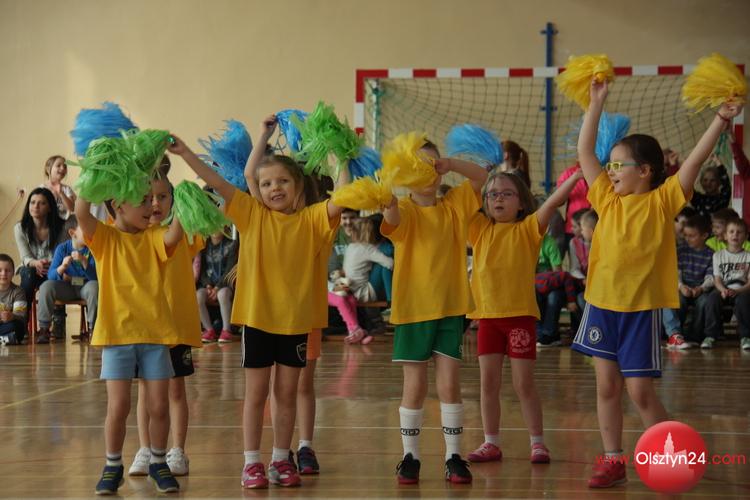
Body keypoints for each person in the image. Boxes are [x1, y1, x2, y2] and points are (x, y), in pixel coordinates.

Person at [572, 77, 742, 488]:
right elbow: (585, 152)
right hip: (600, 306)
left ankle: (675, 456)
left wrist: (721, 119)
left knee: (640, 393)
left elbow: (695, 162)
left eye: (619, 165)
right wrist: (595, 103)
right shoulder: (605, 198)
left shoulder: (663, 200)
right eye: (610, 165)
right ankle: (613, 460)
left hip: (639, 312)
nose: (610, 170)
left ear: (645, 171)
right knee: (606, 387)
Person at [168, 115, 344, 489]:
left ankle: (281, 458)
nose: (273, 188)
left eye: (282, 181)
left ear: (298, 186)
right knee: (256, 394)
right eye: (266, 183)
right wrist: (186, 153)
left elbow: (342, 198)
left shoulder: (313, 219)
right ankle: (252, 463)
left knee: (286, 395)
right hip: (258, 321)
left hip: (295, 323)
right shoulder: (251, 215)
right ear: (257, 189)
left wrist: (343, 154)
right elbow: (223, 179)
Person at [381, 139, 487, 485]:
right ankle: (410, 456)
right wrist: (386, 197)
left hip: (451, 308)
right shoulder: (404, 209)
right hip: (413, 310)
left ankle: (453, 456)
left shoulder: (454, 203)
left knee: (450, 384)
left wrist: (451, 163)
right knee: (414, 386)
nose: (427, 171)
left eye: (432, 164)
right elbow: (391, 217)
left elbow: (481, 176)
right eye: (418, 165)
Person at [465, 168, 583, 465]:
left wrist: (575, 177)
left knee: (523, 384)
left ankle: (538, 443)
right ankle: (491, 442)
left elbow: (553, 202)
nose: (498, 199)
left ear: (521, 202)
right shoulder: (478, 228)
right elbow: (467, 192)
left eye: (507, 194)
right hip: (488, 320)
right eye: (493, 194)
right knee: (488, 384)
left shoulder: (529, 228)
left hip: (519, 319)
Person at [75, 182, 186, 495]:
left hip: (155, 336)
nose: (151, 206)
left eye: (153, 200)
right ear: (118, 205)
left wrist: (185, 203)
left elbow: (174, 235)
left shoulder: (154, 236)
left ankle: (159, 462)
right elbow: (81, 212)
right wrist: (94, 177)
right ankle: (112, 466)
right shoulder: (105, 237)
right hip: (117, 337)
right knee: (118, 406)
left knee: (159, 406)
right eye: (142, 200)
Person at [129, 173, 204, 478]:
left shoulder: (183, 233)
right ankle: (145, 448)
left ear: (173, 200)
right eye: (148, 198)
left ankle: (178, 450)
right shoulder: (133, 235)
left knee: (175, 390)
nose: (155, 203)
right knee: (145, 392)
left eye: (162, 197)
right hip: (146, 328)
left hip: (176, 327)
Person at [36, 215, 98, 343]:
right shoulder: (62, 248)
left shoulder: (93, 249)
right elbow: (51, 275)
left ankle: (94, 329)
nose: (91, 232)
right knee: (46, 286)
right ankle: (44, 329)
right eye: (86, 229)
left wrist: (84, 262)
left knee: (94, 287)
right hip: (67, 288)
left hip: (85, 286)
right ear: (72, 233)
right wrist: (62, 267)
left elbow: (96, 278)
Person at [664, 215, 714, 349]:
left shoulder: (711, 254)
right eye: (685, 235)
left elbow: (711, 276)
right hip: (683, 287)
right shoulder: (681, 251)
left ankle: (695, 336)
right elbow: (676, 273)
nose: (687, 239)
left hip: (701, 289)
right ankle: (677, 335)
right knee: (677, 301)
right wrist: (681, 287)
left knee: (704, 302)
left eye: (691, 236)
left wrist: (701, 288)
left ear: (704, 236)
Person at [701, 218, 750, 350]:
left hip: (742, 290)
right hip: (723, 288)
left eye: (739, 232)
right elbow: (717, 279)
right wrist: (723, 290)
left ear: (746, 236)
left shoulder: (748, 256)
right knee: (712, 299)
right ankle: (710, 335)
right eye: (731, 232)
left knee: (744, 301)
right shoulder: (717, 256)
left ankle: (746, 337)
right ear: (725, 236)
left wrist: (738, 291)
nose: (735, 235)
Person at [197, 230, 238, 343]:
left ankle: (226, 330)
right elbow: (202, 270)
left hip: (225, 285)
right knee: (198, 295)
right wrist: (208, 285)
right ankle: (209, 330)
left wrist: (217, 287)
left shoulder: (232, 244)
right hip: (209, 286)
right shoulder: (203, 245)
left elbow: (230, 269)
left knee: (222, 294)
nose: (215, 229)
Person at [343, 217, 394, 303]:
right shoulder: (367, 248)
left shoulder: (350, 247)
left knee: (381, 260)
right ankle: (391, 301)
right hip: (365, 294)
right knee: (385, 262)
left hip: (352, 293)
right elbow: (390, 263)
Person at [0, 254, 27, 345]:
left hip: (9, 325)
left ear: (13, 273)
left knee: (17, 327)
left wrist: (12, 316)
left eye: (7, 271)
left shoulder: (18, 291)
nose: (3, 274)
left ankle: (5, 338)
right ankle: (6, 339)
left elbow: (21, 316)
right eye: (0, 270)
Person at [40, 155, 76, 220]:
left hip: (64, 222)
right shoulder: (42, 188)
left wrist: (61, 193)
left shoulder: (67, 189)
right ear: (48, 169)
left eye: (65, 166)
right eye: (58, 165)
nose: (62, 168)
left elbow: (71, 208)